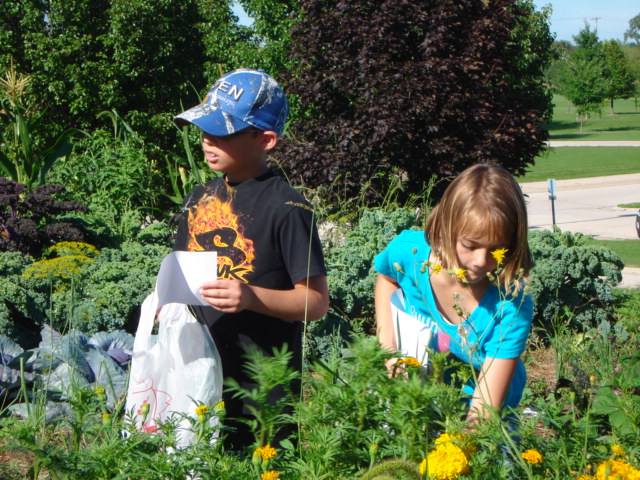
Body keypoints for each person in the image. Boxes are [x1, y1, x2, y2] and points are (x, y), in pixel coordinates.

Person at [172, 68, 329, 449]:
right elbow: (178, 277)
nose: (208, 140)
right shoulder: (197, 200)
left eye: (223, 132)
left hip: (263, 387)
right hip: (199, 375)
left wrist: (250, 297)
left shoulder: (288, 207)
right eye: (204, 129)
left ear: (265, 139)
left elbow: (315, 303)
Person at [374, 163, 534, 424]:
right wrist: (388, 351)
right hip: (422, 398)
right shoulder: (410, 254)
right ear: (446, 227)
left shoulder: (509, 306)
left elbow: (482, 416)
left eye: (497, 249)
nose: (481, 261)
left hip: (486, 413)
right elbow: (386, 278)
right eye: (470, 245)